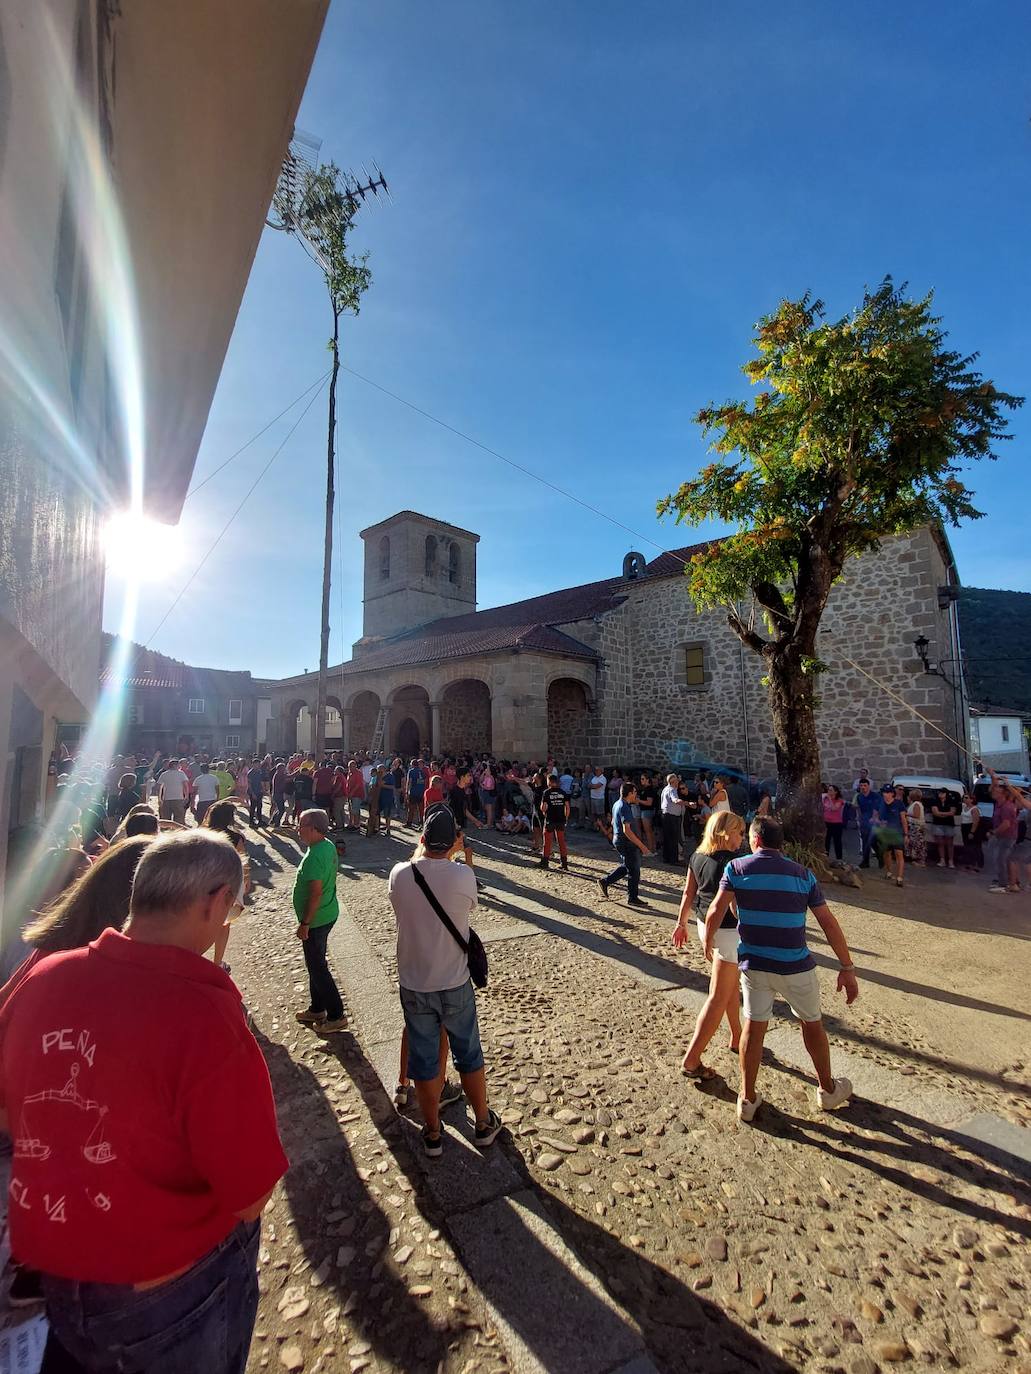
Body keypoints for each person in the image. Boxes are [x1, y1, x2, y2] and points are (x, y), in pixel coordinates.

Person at [0, 830, 286, 1374]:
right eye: (234, 906)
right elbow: (250, 1195)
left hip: (57, 1278)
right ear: (213, 902)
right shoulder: (204, 1014)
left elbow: (7, 1114)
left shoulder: (40, 975)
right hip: (163, 1291)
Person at [702, 815, 858, 1123]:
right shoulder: (803, 875)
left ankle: (746, 1098)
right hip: (795, 965)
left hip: (754, 964)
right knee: (811, 1024)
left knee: (753, 1028)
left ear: (755, 840)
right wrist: (847, 966)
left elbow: (717, 908)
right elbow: (828, 922)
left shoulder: (736, 869)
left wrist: (708, 942)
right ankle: (827, 1090)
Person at [387, 806, 502, 1156]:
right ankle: (483, 1123)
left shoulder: (398, 875)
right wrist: (456, 853)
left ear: (420, 839)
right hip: (454, 981)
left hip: (416, 982)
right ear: (454, 840)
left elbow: (409, 878)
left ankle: (433, 1131)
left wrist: (425, 850)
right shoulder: (463, 875)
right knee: (468, 1053)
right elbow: (469, 907)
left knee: (424, 1059)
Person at [672, 811, 745, 1080]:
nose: (741, 837)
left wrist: (681, 923)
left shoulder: (697, 856)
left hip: (707, 928)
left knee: (727, 989)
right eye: (738, 832)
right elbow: (735, 907)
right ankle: (691, 1060)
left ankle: (737, 1036)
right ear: (726, 833)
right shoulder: (734, 863)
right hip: (726, 933)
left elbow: (689, 892)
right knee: (718, 995)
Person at [293, 808, 347, 1031]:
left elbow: (315, 893)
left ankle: (336, 1014)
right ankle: (316, 1008)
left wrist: (305, 923)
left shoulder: (315, 855)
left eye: (302, 825)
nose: (298, 830)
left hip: (317, 918)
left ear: (315, 829)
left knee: (318, 967)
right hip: (327, 911)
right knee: (315, 964)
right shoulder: (326, 846)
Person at [204, 800, 250, 969]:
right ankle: (217, 961)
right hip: (228, 884)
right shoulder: (235, 837)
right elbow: (243, 861)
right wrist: (246, 880)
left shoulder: (202, 833)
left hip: (205, 882)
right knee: (224, 923)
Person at [598, 782, 650, 908]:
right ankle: (632, 897)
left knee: (627, 866)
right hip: (626, 842)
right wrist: (641, 845)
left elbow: (612, 821)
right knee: (634, 870)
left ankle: (605, 881)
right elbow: (627, 830)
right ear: (630, 793)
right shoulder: (624, 807)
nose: (636, 795)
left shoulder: (617, 804)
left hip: (619, 839)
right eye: (635, 792)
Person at [988, 780, 1019, 894]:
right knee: (999, 859)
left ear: (1003, 794)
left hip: (1007, 837)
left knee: (1002, 859)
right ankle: (1002, 881)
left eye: (996, 791)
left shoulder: (1007, 807)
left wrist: (993, 832)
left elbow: (1006, 824)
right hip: (1002, 837)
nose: (993, 793)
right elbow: (990, 789)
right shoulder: (999, 804)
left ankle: (1004, 884)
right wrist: (992, 776)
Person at [873, 784, 908, 887]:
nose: (885, 794)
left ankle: (900, 877)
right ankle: (888, 871)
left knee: (899, 854)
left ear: (892, 794)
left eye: (887, 792)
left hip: (897, 832)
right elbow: (874, 818)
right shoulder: (879, 804)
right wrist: (879, 823)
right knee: (886, 853)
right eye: (884, 792)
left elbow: (903, 820)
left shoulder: (899, 804)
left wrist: (906, 834)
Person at [538, 773, 570, 871]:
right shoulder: (563, 792)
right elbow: (567, 807)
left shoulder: (546, 792)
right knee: (561, 841)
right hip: (560, 819)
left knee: (547, 842)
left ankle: (545, 862)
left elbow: (543, 807)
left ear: (550, 782)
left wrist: (544, 813)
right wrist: (566, 818)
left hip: (550, 819)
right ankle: (564, 863)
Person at [930, 787, 959, 869]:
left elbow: (952, 812)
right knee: (940, 843)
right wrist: (946, 814)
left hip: (949, 824)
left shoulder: (951, 801)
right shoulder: (935, 801)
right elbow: (935, 812)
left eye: (942, 793)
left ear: (945, 794)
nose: (940, 794)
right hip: (938, 824)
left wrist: (941, 813)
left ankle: (950, 860)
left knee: (950, 843)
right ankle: (942, 859)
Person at [853, 779, 880, 869]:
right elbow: (860, 809)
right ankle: (865, 861)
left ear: (868, 786)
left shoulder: (875, 796)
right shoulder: (859, 797)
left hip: (873, 822)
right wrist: (860, 819)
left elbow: (877, 808)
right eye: (861, 786)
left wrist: (874, 818)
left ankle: (881, 858)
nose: (863, 788)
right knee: (865, 841)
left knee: (873, 841)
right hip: (864, 821)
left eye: (865, 785)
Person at [660, 773, 685, 865]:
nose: (678, 782)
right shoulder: (672, 790)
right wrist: (687, 803)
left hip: (665, 816)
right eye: (677, 780)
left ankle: (666, 858)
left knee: (667, 838)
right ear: (673, 782)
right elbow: (675, 800)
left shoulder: (665, 789)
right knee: (673, 839)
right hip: (672, 817)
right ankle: (673, 860)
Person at [156, 757, 189, 825]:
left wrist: (159, 798)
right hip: (178, 798)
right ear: (174, 765)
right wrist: (186, 796)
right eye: (178, 765)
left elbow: (159, 787)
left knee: (166, 819)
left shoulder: (164, 774)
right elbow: (185, 785)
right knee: (179, 819)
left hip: (166, 799)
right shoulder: (181, 773)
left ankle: (167, 833)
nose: (179, 767)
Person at [822, 785, 846, 860]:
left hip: (836, 823)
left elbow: (834, 808)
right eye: (828, 790)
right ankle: (826, 857)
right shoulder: (825, 799)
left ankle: (839, 859)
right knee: (826, 841)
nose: (829, 792)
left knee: (837, 841)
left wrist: (829, 799)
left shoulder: (839, 800)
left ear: (836, 792)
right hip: (826, 822)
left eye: (831, 790)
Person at [905, 788, 927, 867]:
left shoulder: (917, 804)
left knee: (919, 844)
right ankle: (916, 858)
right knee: (915, 843)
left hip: (917, 827)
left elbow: (916, 815)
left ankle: (921, 861)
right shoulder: (914, 803)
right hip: (914, 827)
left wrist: (906, 815)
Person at [637, 771, 657, 852]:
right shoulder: (644, 789)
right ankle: (652, 848)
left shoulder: (649, 790)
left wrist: (639, 800)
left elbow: (649, 803)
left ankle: (650, 849)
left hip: (647, 811)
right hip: (644, 811)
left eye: (643, 779)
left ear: (647, 780)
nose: (641, 781)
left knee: (648, 831)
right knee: (649, 831)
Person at [247, 758, 268, 829]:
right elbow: (249, 784)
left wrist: (263, 789)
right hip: (253, 792)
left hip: (259, 792)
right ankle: (251, 822)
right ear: (253, 765)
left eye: (258, 764)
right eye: (256, 764)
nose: (257, 766)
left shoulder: (260, 772)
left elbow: (261, 781)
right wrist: (252, 794)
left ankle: (260, 821)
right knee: (253, 807)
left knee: (259, 807)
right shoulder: (250, 773)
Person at [588, 766, 608, 831]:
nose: (596, 771)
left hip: (599, 798)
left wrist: (592, 786)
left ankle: (604, 827)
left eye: (597, 770)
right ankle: (595, 827)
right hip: (593, 797)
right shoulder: (594, 778)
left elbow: (597, 786)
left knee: (601, 814)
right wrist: (593, 786)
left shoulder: (603, 778)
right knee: (594, 814)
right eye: (595, 770)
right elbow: (589, 785)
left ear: (601, 771)